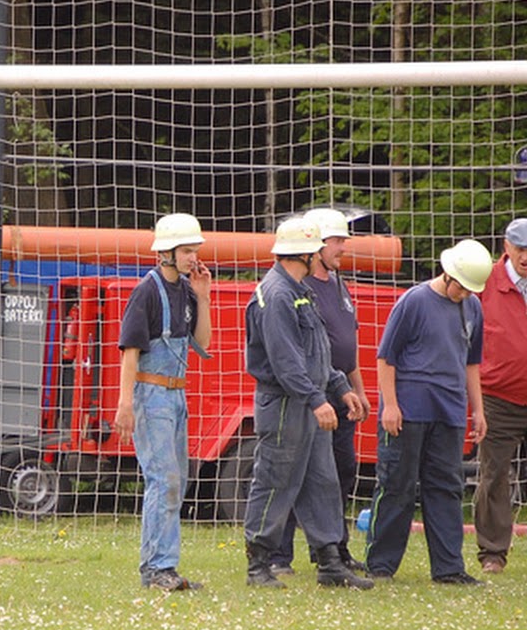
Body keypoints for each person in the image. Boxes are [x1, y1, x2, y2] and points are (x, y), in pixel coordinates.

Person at [243, 216, 371, 589]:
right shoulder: (277, 295)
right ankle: (259, 564)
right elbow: (285, 360)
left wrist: (339, 385)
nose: (320, 255)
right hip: (285, 404)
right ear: (303, 253)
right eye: (316, 249)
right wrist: (317, 398)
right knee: (274, 480)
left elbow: (317, 351)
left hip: (308, 399)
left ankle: (330, 563)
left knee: (322, 481)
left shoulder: (300, 290)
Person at [364, 238, 493, 584]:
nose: (465, 295)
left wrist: (477, 410)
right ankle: (380, 565)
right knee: (397, 485)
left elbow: (471, 363)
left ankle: (449, 569)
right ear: (447, 274)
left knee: (446, 488)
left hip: (449, 412)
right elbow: (385, 357)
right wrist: (390, 405)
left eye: (471, 290)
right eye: (462, 288)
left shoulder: (474, 307)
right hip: (408, 411)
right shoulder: (414, 301)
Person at [113, 213, 212, 591]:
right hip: (150, 394)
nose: (193, 258)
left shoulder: (187, 291)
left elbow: (202, 343)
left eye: (195, 250)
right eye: (186, 251)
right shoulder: (147, 291)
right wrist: (125, 404)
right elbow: (130, 352)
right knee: (163, 480)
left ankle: (166, 565)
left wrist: (203, 297)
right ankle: (156, 569)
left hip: (177, 394)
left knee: (178, 481)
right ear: (166, 253)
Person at [474, 218, 527, 574]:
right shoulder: (483, 283)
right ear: (505, 248)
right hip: (496, 396)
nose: (526, 257)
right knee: (493, 475)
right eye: (521, 249)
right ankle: (493, 552)